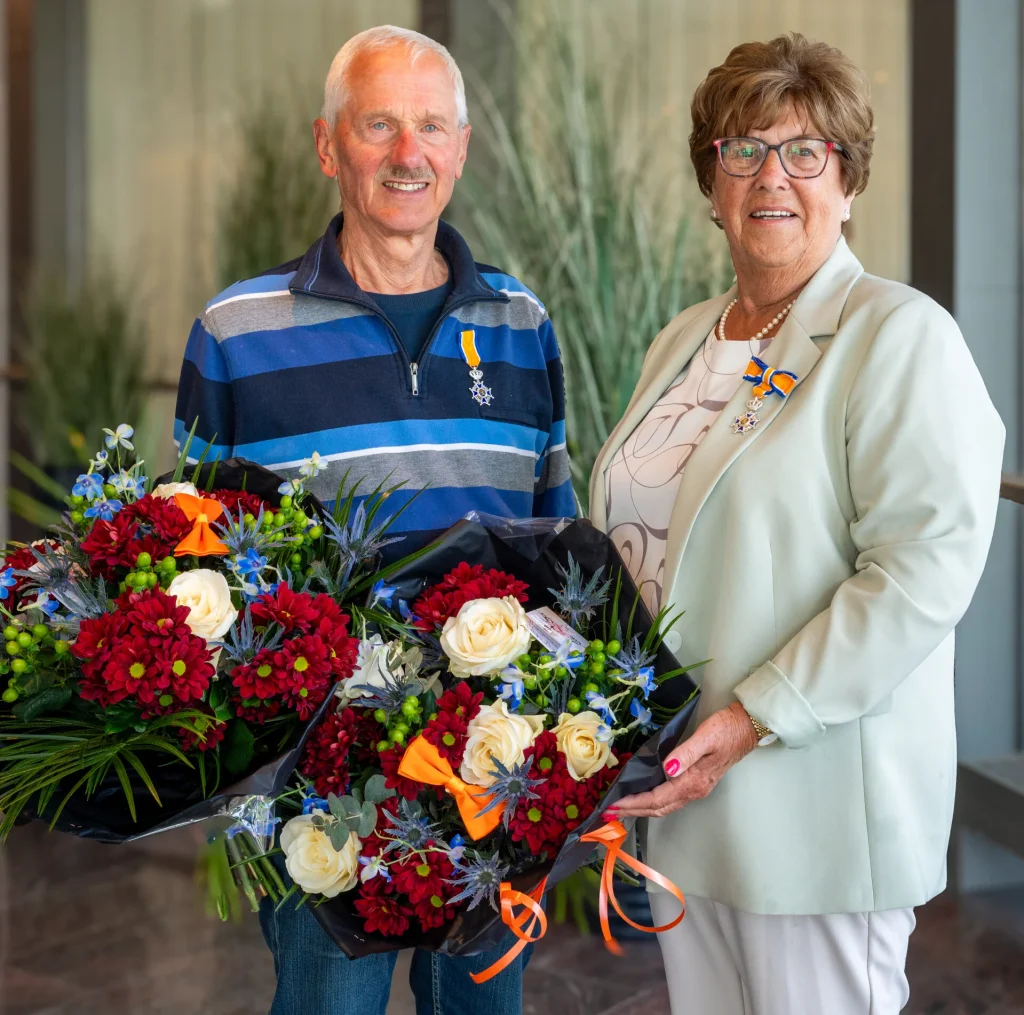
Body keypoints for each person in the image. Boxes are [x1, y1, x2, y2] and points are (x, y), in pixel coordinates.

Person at [589, 33, 1004, 1015]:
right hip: (687, 809)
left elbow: (917, 574)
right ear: (713, 178)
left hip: (812, 814)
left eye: (804, 151)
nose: (771, 175)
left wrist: (745, 720)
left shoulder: (897, 337)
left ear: (848, 179)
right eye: (743, 149)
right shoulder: (683, 338)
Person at [174, 25, 574, 1015]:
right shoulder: (236, 335)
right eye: (379, 125)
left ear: (462, 148)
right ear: (327, 145)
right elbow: (187, 576)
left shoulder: (522, 327)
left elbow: (557, 549)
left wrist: (573, 748)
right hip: (317, 788)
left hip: (491, 776)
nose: (409, 153)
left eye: (431, 126)